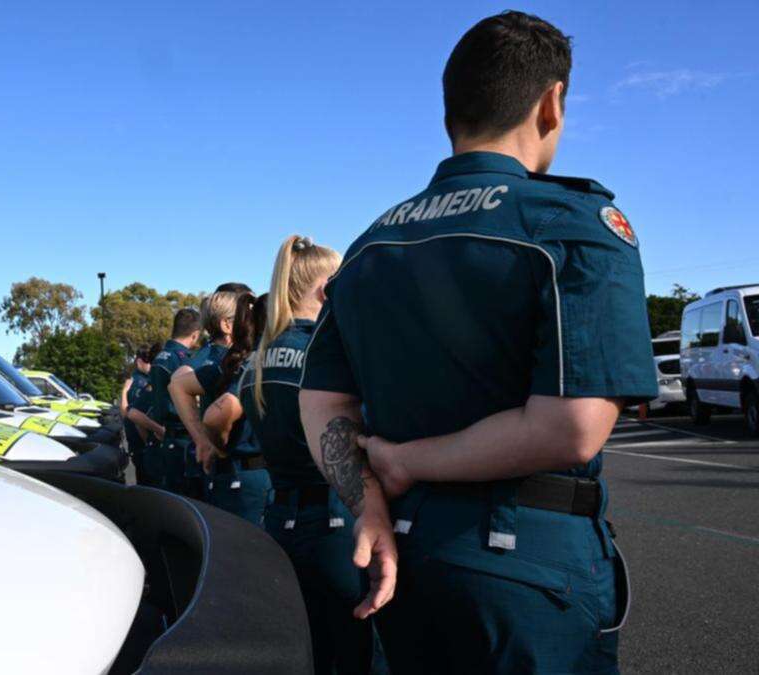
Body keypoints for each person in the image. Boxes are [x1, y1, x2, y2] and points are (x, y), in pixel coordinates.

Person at [299, 11, 656, 673]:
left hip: (405, 554)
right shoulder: (573, 224)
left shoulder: (371, 244)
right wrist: (407, 462)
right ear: (550, 104)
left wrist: (369, 502)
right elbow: (573, 428)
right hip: (529, 565)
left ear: (450, 110)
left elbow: (322, 401)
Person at [239, 235, 371, 674]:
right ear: (325, 288)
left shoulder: (255, 362)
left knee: (307, 653)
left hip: (280, 523)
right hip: (338, 524)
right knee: (357, 655)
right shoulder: (327, 353)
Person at [192, 292, 272, 525]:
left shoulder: (237, 358)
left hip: (234, 475)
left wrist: (204, 440)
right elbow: (218, 414)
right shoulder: (255, 360)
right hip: (247, 474)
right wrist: (218, 445)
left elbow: (179, 384)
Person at [171, 289, 246, 499]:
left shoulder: (203, 355)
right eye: (246, 315)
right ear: (227, 325)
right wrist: (204, 440)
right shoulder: (225, 360)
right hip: (229, 466)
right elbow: (178, 383)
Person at [146, 307, 201, 494]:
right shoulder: (183, 360)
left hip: (166, 434)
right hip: (183, 435)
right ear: (194, 335)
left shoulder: (160, 357)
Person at [121, 345, 155, 481]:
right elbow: (135, 417)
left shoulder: (135, 380)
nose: (151, 365)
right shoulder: (141, 384)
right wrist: (148, 443)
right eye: (148, 361)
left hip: (137, 445)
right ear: (139, 362)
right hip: (142, 446)